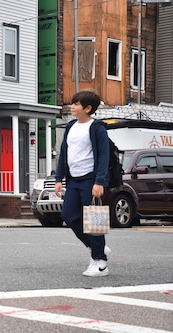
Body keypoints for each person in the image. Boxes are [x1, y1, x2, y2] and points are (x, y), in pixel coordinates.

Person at [54, 89, 111, 277]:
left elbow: (104, 156)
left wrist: (99, 182)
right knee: (69, 215)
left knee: (93, 220)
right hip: (73, 180)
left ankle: (100, 262)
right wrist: (58, 179)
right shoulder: (71, 126)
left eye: (76, 104)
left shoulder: (97, 128)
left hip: (90, 179)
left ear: (87, 108)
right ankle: (95, 246)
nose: (72, 106)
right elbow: (64, 154)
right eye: (73, 103)